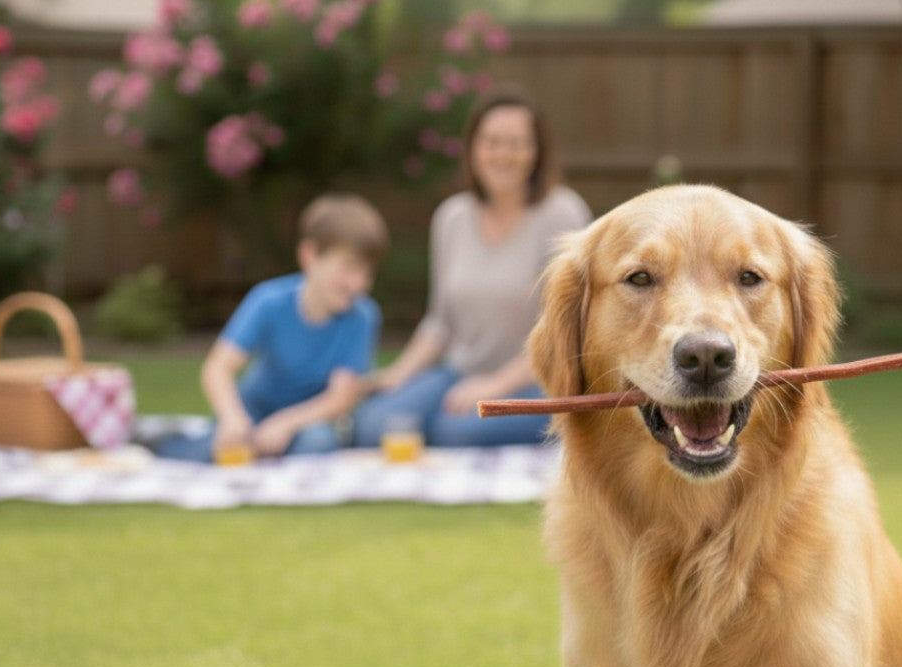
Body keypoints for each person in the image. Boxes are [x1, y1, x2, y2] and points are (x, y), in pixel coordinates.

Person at [352, 87, 591, 449]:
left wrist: (495, 386)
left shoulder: (563, 214)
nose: (503, 154)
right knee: (374, 425)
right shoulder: (452, 217)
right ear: (473, 149)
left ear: (536, 152)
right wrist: (398, 375)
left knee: (456, 431)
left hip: (537, 380)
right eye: (492, 142)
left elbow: (567, 332)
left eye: (517, 143)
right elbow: (440, 323)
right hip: (459, 372)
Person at [152, 193, 388, 462]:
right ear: (310, 255)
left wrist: (285, 423)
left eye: (367, 273)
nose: (358, 283)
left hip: (308, 421)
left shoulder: (363, 316)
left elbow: (341, 397)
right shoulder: (268, 300)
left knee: (317, 444)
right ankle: (163, 443)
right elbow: (217, 368)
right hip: (254, 408)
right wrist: (233, 418)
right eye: (348, 268)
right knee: (212, 451)